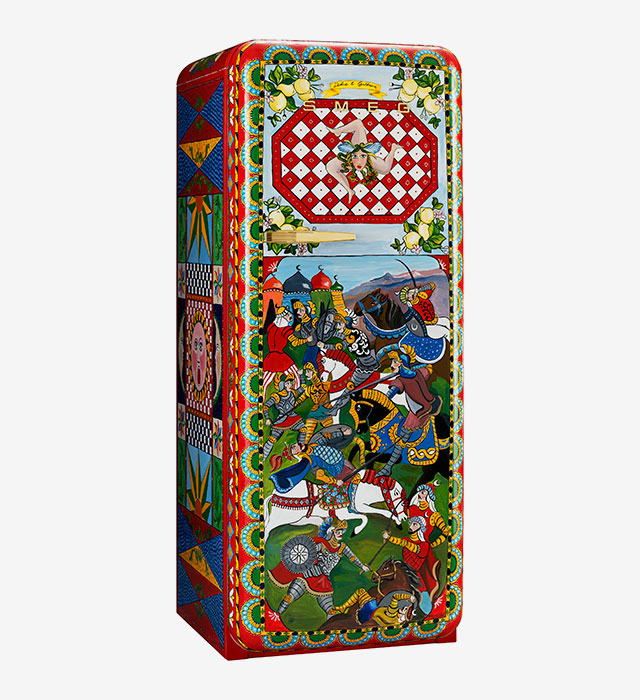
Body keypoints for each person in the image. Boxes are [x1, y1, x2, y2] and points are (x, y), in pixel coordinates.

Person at [269, 518, 369, 624]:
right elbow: (306, 552)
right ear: (331, 532)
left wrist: (362, 566)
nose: (340, 534)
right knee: (289, 597)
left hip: (323, 581)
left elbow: (352, 557)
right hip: (308, 575)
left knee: (330, 610)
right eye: (338, 532)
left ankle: (331, 627)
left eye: (341, 532)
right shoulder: (322, 545)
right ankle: (275, 617)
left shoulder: (342, 547)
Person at [378, 345, 442, 475]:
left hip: (418, 413)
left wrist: (383, 398)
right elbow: (428, 369)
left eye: (395, 362)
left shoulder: (401, 380)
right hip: (432, 403)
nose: (392, 365)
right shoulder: (419, 372)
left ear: (402, 364)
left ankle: (388, 468)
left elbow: (391, 393)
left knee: (400, 439)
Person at [326, 119, 403, 203]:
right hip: (355, 150)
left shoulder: (370, 159)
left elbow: (358, 123)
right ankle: (349, 190)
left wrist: (392, 151)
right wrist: (348, 189)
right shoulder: (347, 159)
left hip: (363, 151)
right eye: (355, 156)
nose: (359, 162)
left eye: (363, 156)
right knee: (330, 167)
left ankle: (393, 148)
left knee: (386, 169)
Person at [382, 514, 440, 615]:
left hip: (418, 575)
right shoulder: (407, 540)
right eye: (411, 524)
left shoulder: (424, 545)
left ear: (421, 528)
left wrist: (391, 538)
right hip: (406, 571)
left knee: (422, 593)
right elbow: (400, 542)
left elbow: (415, 549)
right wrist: (389, 538)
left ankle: (421, 610)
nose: (411, 526)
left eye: (415, 524)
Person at [263, 371, 305, 460]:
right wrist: (267, 418)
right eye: (287, 383)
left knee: (303, 429)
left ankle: (300, 450)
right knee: (271, 440)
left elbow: (303, 387)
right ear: (282, 385)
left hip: (293, 418)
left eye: (290, 383)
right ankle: (262, 458)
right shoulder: (276, 397)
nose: (290, 385)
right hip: (281, 421)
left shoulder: (293, 393)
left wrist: (301, 375)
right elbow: (266, 406)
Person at [263, 306, 303, 395]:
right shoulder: (285, 329)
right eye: (287, 315)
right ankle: (295, 396)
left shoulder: (272, 327)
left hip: (270, 358)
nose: (290, 316)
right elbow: (295, 342)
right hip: (281, 358)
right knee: (296, 376)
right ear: (283, 317)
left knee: (264, 382)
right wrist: (306, 340)